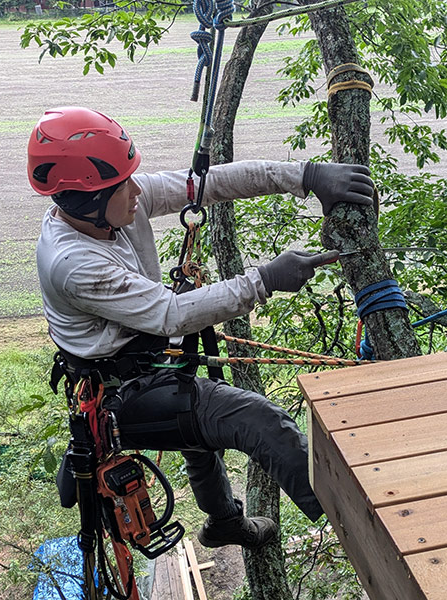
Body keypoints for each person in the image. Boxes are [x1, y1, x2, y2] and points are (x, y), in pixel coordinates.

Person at [28, 106, 377, 550]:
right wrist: (266, 279)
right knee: (259, 420)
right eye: (123, 184)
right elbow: (171, 313)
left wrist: (306, 176)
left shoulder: (115, 204)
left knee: (199, 431)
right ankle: (364, 523)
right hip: (120, 389)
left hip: (144, 355)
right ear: (88, 200)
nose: (138, 190)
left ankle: (225, 524)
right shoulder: (73, 265)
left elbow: (208, 184)